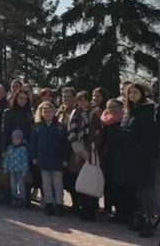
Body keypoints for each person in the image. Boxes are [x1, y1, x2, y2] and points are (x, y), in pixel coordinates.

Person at [117, 83, 160, 238]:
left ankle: (149, 221)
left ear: (142, 93)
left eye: (135, 92)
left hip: (144, 157)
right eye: (130, 93)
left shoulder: (150, 109)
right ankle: (140, 217)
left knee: (146, 190)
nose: (132, 95)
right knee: (137, 190)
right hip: (130, 157)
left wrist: (141, 150)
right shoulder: (129, 111)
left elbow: (151, 135)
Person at [68, 90, 102, 221]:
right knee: (78, 181)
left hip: (91, 153)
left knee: (90, 181)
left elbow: (97, 134)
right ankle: (80, 208)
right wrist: (78, 150)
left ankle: (91, 210)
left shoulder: (94, 114)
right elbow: (71, 132)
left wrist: (89, 151)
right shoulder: (74, 113)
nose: (83, 102)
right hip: (76, 152)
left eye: (85, 99)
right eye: (80, 100)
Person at [30, 101, 69, 216]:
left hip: (57, 159)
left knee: (57, 183)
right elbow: (33, 143)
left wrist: (65, 158)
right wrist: (34, 157)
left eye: (50, 111)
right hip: (43, 159)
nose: (47, 114)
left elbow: (65, 144)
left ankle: (59, 204)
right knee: (46, 183)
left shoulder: (60, 127)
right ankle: (49, 203)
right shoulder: (37, 127)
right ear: (41, 113)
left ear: (54, 112)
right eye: (45, 111)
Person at [99, 98, 135, 223]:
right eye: (109, 107)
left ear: (121, 107)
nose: (112, 109)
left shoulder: (124, 120)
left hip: (122, 158)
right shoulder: (105, 121)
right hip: (108, 158)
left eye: (115, 106)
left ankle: (125, 213)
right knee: (110, 185)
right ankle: (114, 211)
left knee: (122, 186)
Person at [1, 88, 34, 204]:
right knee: (12, 177)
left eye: (25, 99)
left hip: (25, 149)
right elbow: (4, 131)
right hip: (11, 149)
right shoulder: (8, 112)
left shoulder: (29, 113)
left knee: (25, 176)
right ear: (16, 98)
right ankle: (13, 197)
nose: (23, 101)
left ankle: (25, 198)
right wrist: (4, 149)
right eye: (20, 98)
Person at [2, 129, 29, 208]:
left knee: (21, 185)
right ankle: (14, 197)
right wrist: (5, 167)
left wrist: (25, 170)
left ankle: (22, 198)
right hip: (12, 169)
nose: (16, 140)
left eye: (18, 139)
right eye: (14, 139)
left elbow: (25, 160)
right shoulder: (10, 148)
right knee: (13, 185)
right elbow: (7, 158)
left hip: (20, 170)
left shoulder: (23, 149)